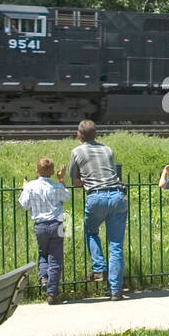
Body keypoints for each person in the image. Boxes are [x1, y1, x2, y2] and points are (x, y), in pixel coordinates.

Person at [67, 120, 129, 300]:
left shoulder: (77, 152)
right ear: (97, 134)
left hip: (96, 197)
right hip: (117, 196)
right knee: (116, 245)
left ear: (79, 135)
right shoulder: (108, 149)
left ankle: (99, 268)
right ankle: (116, 291)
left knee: (91, 231)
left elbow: (76, 181)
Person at [18, 158, 70, 304]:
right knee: (56, 257)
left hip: (40, 225)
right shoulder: (56, 186)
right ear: (52, 172)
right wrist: (61, 178)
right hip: (57, 223)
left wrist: (25, 189)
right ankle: (52, 293)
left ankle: (43, 278)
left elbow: (23, 205)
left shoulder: (31, 187)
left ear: (36, 171)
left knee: (43, 252)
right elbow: (67, 197)